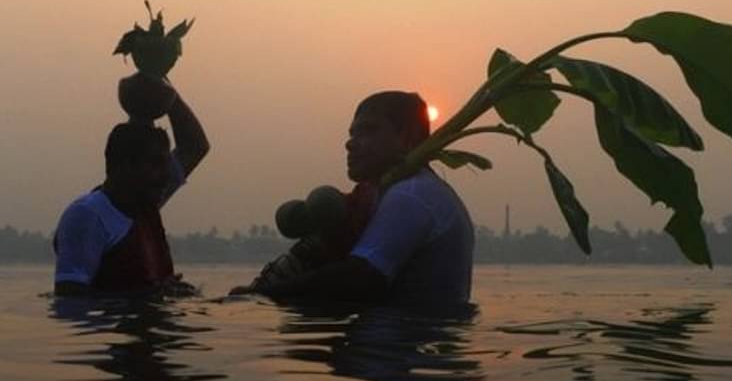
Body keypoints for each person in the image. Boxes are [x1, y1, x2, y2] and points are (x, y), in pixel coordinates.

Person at [257, 91, 474, 306]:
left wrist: (264, 293)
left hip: (403, 336)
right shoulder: (395, 193)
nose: (350, 144)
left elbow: (362, 278)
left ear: (408, 137)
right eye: (352, 134)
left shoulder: (412, 194)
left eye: (368, 131)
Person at [53, 77, 209, 296]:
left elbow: (194, 146)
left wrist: (165, 88)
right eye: (155, 164)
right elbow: (69, 300)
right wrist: (151, 293)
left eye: (166, 165)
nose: (166, 176)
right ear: (123, 167)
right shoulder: (87, 216)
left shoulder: (145, 203)